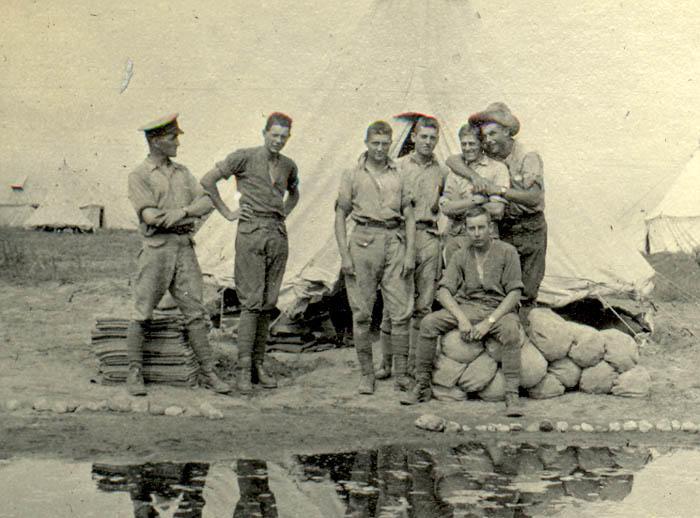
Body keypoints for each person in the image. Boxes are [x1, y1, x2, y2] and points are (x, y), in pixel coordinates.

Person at [126, 113, 230, 396]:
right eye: (173, 138)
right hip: (156, 250)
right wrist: (174, 216)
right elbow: (149, 216)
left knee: (195, 312)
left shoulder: (183, 173)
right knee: (142, 311)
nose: (177, 143)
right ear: (155, 141)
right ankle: (134, 372)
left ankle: (208, 372)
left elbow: (207, 200)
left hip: (184, 248)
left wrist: (181, 212)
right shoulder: (139, 175)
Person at [201, 112, 300, 394]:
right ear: (264, 132)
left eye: (284, 136)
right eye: (274, 134)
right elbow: (208, 181)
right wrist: (228, 212)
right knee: (251, 302)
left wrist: (283, 213)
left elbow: (294, 194)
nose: (278, 141)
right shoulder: (243, 157)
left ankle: (259, 364)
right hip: (250, 232)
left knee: (269, 302)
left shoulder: (288, 166)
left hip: (277, 235)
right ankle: (244, 368)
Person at [401, 206, 525, 416]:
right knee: (429, 323)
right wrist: (461, 319)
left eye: (481, 228)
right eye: (471, 229)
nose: (476, 233)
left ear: (490, 228)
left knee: (511, 330)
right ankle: (421, 385)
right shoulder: (460, 255)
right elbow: (443, 291)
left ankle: (512, 394)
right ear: (466, 230)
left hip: (498, 309)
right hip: (468, 307)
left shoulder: (507, 251)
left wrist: (489, 322)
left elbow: (514, 294)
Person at [334, 120, 416, 395]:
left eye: (385, 144)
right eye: (375, 143)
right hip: (363, 241)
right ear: (366, 143)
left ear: (391, 143)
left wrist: (409, 254)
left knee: (401, 312)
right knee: (362, 314)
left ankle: (401, 375)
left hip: (394, 241)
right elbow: (340, 215)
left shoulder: (399, 173)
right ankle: (366, 374)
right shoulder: (352, 173)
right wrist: (344, 254)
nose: (380, 149)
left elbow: (409, 215)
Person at [446, 102, 546, 315]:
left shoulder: (527, 156)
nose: (489, 140)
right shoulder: (492, 154)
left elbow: (534, 197)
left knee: (527, 290)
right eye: (485, 136)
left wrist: (498, 190)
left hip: (529, 228)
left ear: (507, 132)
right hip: (504, 228)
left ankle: (525, 337)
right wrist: (475, 177)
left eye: (493, 133)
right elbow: (452, 160)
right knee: (503, 286)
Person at [375, 116, 447, 382]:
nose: (428, 142)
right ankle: (387, 362)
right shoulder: (398, 166)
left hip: (428, 236)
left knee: (424, 304)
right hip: (401, 236)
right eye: (423, 137)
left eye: (433, 138)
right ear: (413, 137)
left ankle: (417, 363)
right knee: (393, 304)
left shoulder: (442, 170)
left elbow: (446, 203)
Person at [441, 123, 509, 264]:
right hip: (457, 238)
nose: (467, 148)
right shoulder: (455, 171)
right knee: (456, 282)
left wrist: (460, 206)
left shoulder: (497, 169)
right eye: (463, 144)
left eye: (472, 144)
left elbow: (497, 210)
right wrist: (478, 201)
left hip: (487, 241)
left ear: (481, 144)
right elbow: (447, 208)